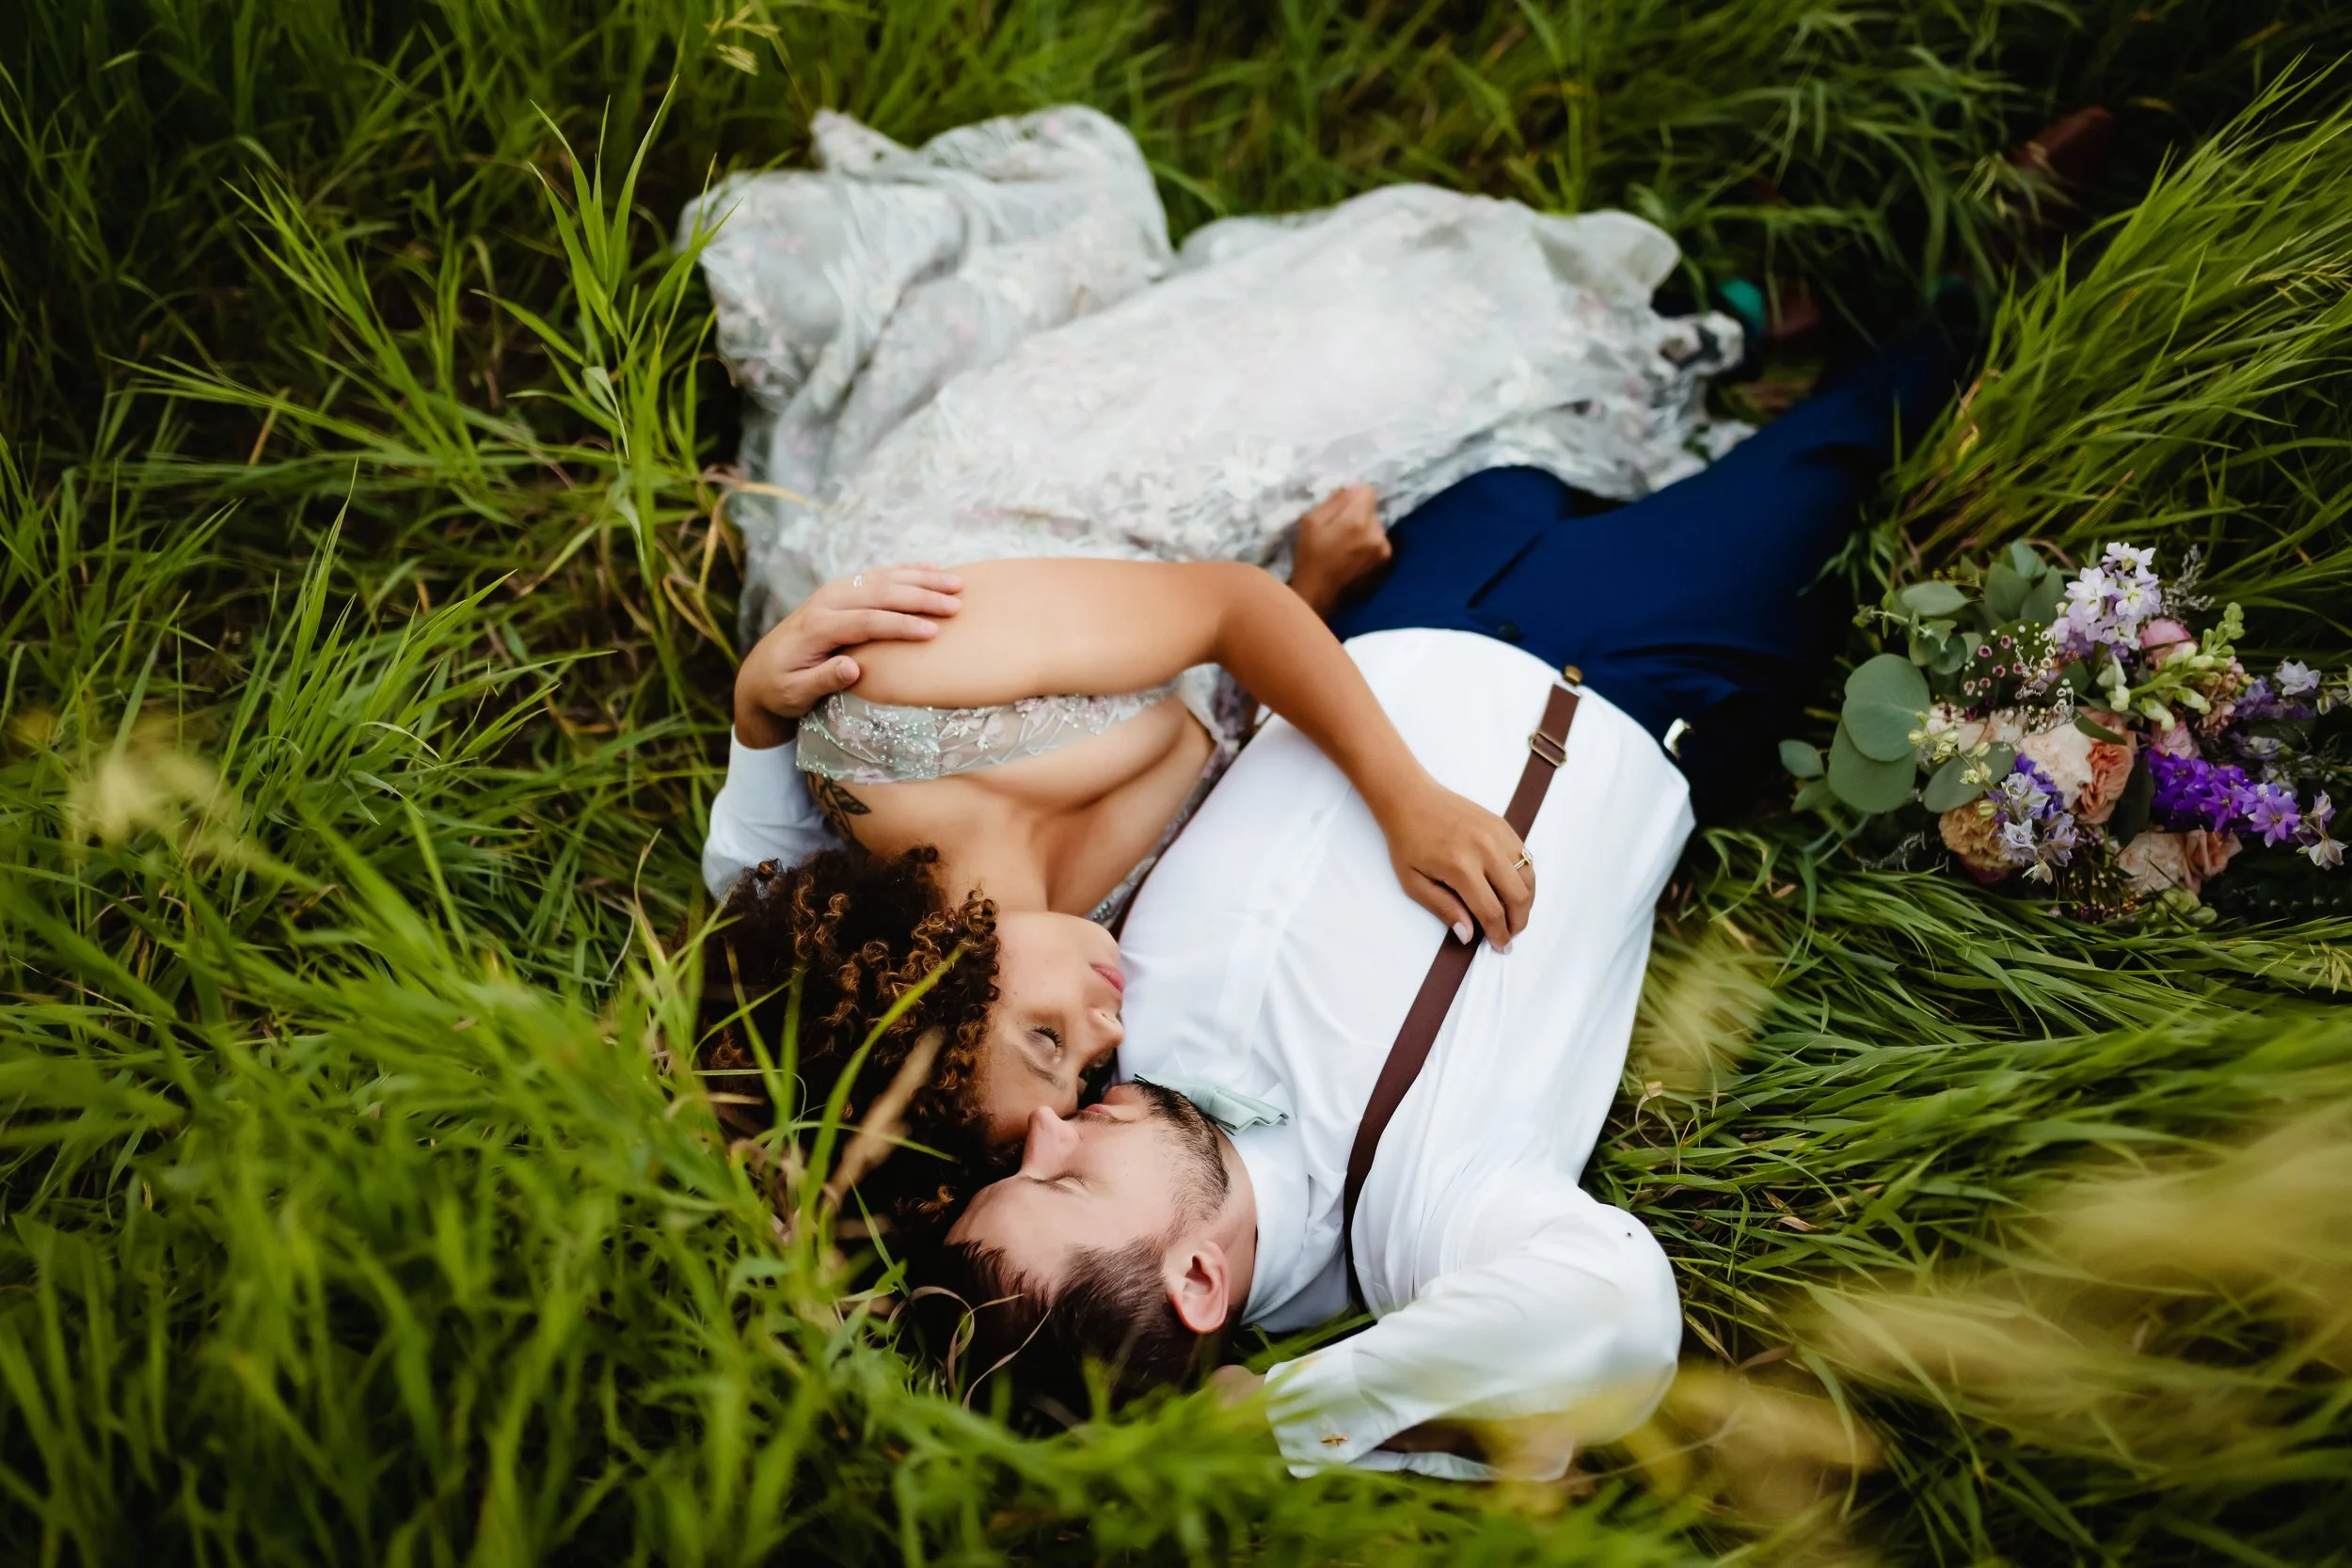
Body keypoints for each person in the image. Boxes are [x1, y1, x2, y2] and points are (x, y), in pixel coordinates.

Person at [918, 325, 1964, 1479]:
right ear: (1199, 1280)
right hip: (1631, 663)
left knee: (1527, 445)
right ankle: (1979, 257)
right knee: (1851, 438)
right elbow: (1611, 1317)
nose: (1047, 1130)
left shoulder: (1100, 1055)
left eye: (1015, 1164)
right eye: (1062, 1181)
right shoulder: (1418, 1220)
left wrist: (763, 728)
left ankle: (1731, 354)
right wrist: (1282, 1421)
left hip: (1377, 626)